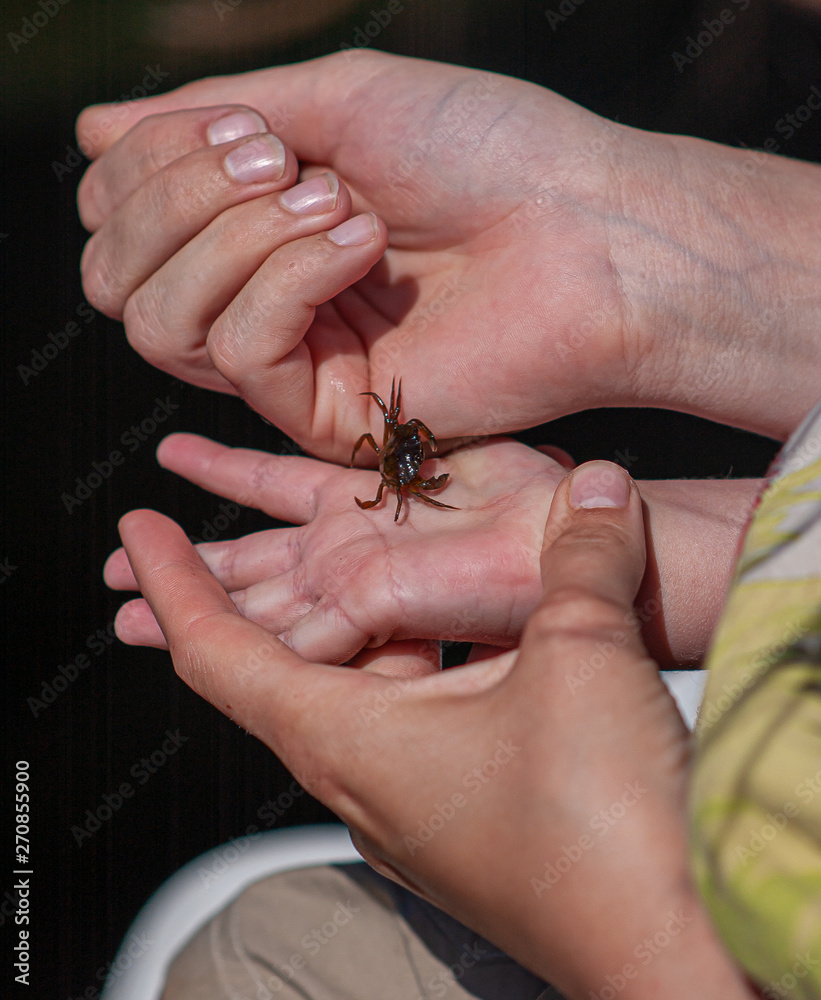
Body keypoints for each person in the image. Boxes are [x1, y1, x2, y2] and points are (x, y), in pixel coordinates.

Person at [77, 48, 821, 998]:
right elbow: (400, 453)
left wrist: (621, 920)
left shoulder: (405, 465)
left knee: (247, 953)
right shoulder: (404, 460)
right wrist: (622, 241)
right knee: (254, 935)